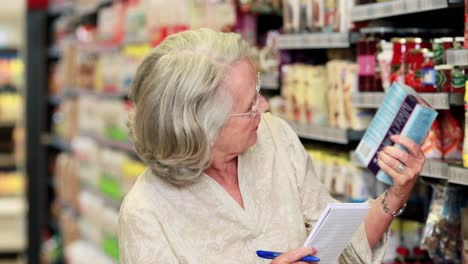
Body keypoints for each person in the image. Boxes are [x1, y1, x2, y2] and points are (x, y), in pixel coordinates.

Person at [119, 28, 426, 264]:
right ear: (201, 129)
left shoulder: (274, 138)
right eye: (249, 105)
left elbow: (344, 247)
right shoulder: (146, 214)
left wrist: (397, 192)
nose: (264, 107)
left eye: (258, 91)